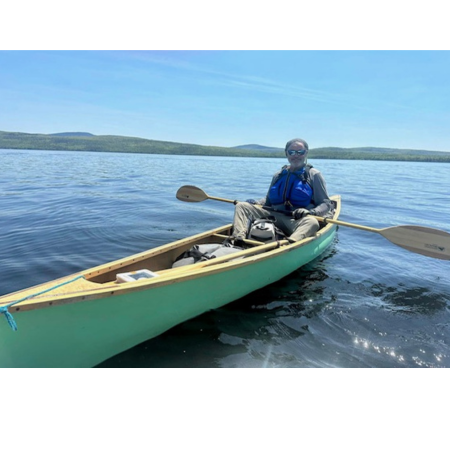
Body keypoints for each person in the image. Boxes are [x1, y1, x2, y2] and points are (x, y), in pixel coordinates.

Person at [231, 138, 334, 244]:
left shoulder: (314, 175)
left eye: (300, 152)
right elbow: (268, 200)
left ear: (306, 153)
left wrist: (311, 212)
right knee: (241, 206)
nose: (296, 155)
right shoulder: (278, 175)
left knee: (312, 222)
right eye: (292, 152)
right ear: (286, 154)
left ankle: (289, 244)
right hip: (273, 216)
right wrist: (257, 202)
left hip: (295, 220)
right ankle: (238, 239)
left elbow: (326, 203)